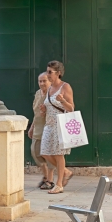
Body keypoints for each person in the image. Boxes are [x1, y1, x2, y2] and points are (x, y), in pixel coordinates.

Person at [40, 60, 74, 194]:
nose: (48, 75)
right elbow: (48, 109)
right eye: (47, 71)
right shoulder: (49, 89)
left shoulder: (65, 87)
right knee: (44, 152)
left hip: (60, 125)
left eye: (50, 72)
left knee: (59, 154)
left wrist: (63, 101)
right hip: (49, 125)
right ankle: (65, 171)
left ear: (58, 73)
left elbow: (71, 108)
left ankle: (59, 184)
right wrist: (43, 109)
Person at [27, 72, 55, 190]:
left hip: (48, 126)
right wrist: (32, 127)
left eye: (44, 81)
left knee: (48, 152)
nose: (42, 83)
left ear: (50, 81)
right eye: (40, 81)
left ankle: (50, 180)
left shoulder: (52, 93)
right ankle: (46, 176)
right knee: (35, 151)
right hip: (38, 126)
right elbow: (36, 112)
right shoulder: (38, 93)